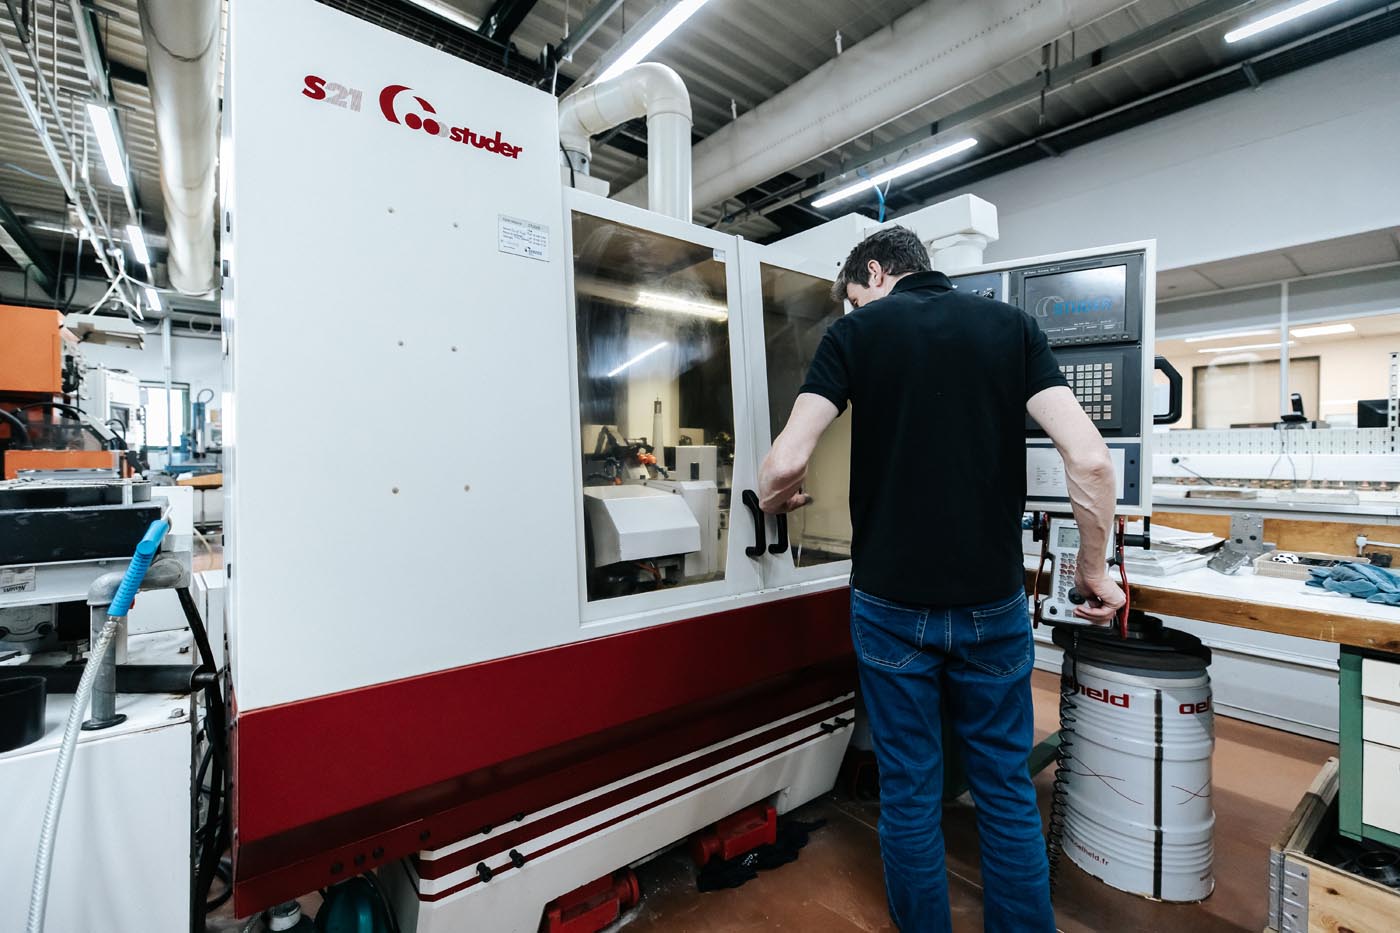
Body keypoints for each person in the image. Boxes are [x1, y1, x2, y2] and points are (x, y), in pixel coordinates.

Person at [757, 226, 1124, 933]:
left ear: (873, 271)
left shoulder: (855, 337)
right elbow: (1092, 460)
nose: (854, 310)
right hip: (992, 603)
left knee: (910, 791)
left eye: (854, 298)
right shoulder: (1012, 327)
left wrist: (778, 501)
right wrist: (1091, 569)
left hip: (891, 605)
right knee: (1006, 787)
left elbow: (781, 466)